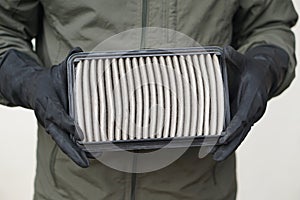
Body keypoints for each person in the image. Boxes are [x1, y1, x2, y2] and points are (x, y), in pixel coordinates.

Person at [0, 0, 298, 199]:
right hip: (72, 188)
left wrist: (266, 64)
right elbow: (5, 28)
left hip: (199, 188)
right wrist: (24, 79)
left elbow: (268, 25)